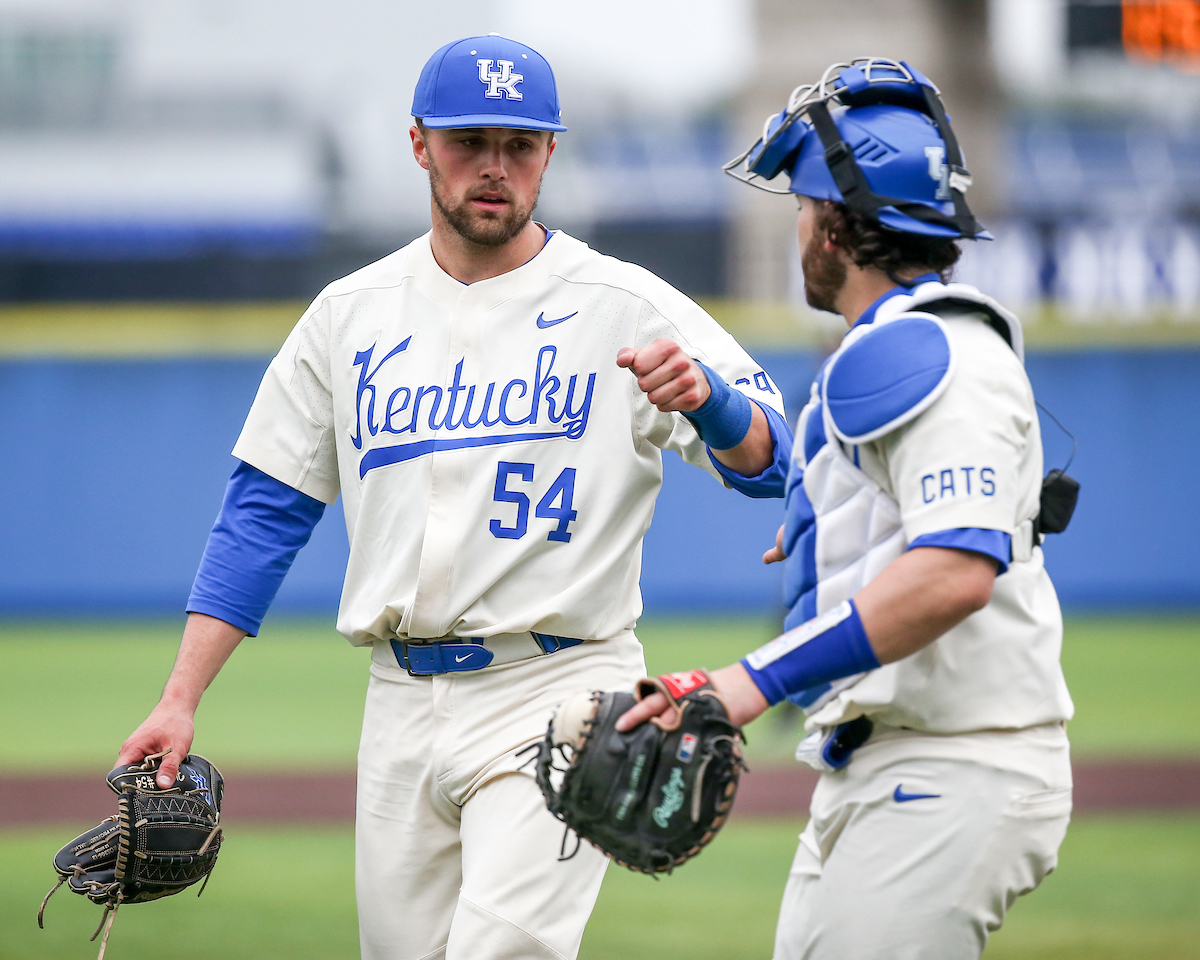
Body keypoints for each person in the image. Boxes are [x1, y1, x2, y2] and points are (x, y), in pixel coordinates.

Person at [115, 33, 792, 960]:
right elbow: (265, 510)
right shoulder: (350, 314)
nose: (495, 167)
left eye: (520, 144)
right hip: (398, 702)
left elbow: (771, 461)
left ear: (550, 153)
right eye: (471, 141)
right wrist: (180, 696)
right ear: (420, 143)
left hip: (560, 687)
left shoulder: (623, 303)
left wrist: (710, 403)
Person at [619, 58, 1074, 959]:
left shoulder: (942, 353)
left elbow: (952, 573)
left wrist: (740, 685)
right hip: (888, 765)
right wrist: (710, 400)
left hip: (953, 764)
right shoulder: (899, 347)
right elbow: (813, 475)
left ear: (832, 224)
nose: (796, 225)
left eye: (800, 204)